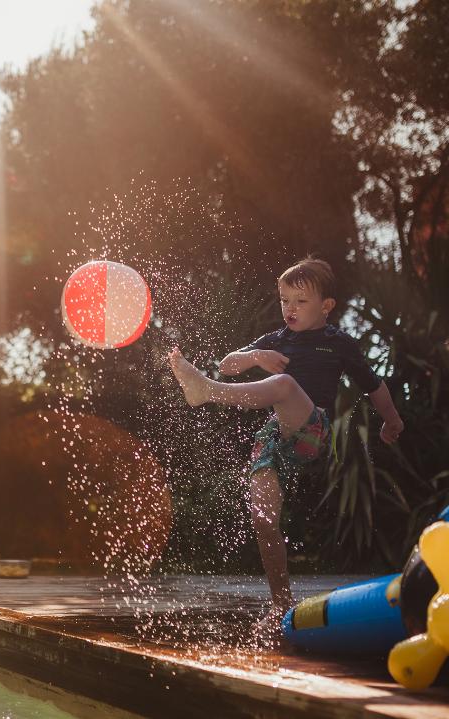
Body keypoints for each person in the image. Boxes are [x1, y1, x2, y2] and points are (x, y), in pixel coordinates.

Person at [168, 257, 404, 630]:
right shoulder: (276, 340)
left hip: (314, 430)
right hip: (274, 437)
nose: (289, 309)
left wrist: (392, 420)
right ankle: (280, 603)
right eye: (284, 300)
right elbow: (229, 363)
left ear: (326, 306)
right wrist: (255, 356)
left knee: (284, 386)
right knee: (264, 520)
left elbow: (374, 386)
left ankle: (205, 392)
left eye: (300, 301)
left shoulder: (338, 343)